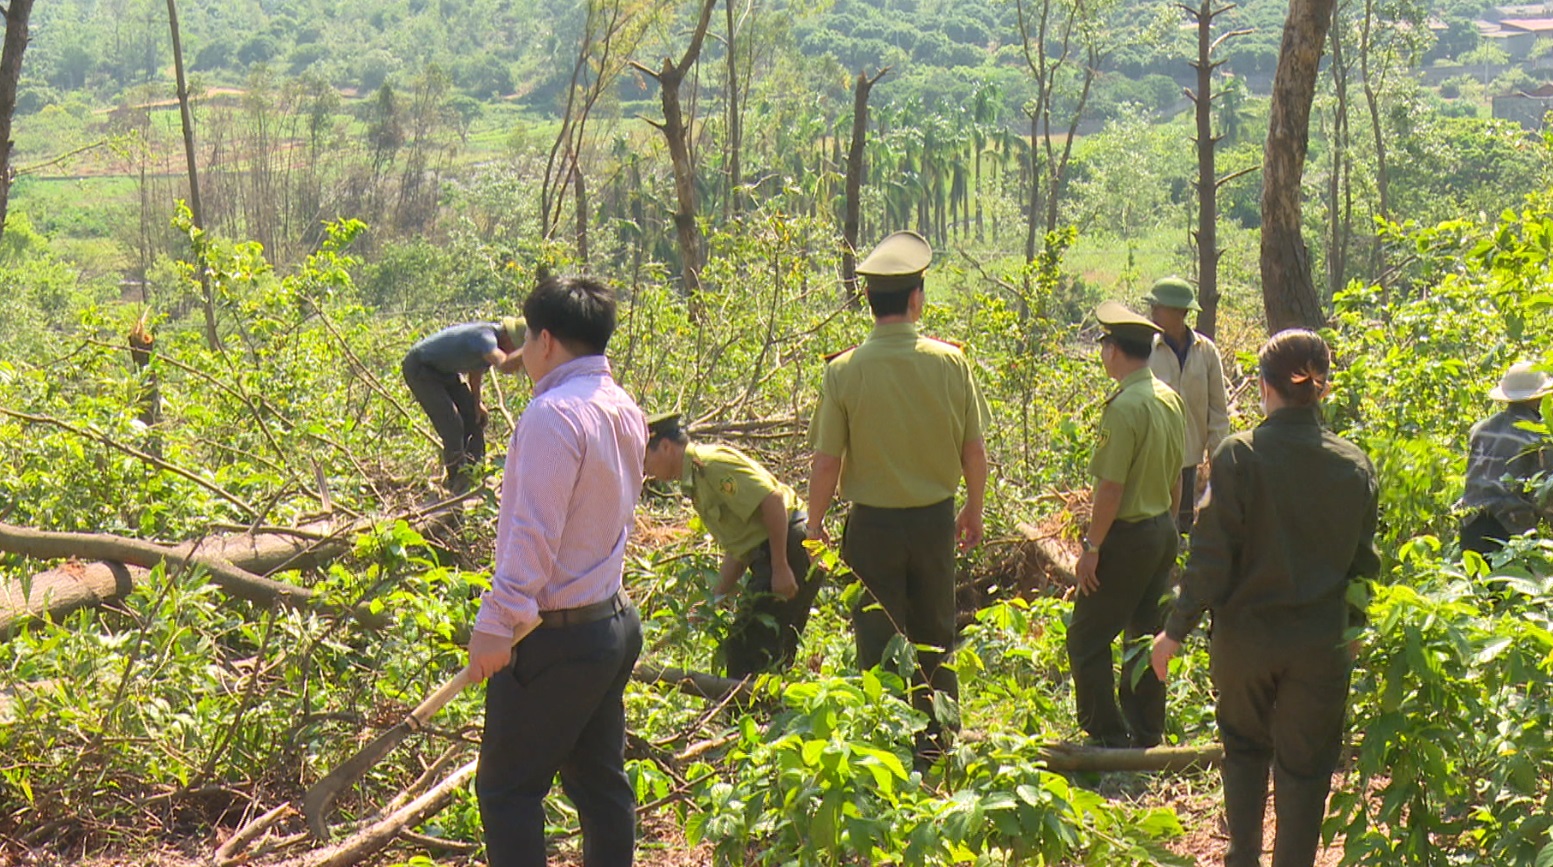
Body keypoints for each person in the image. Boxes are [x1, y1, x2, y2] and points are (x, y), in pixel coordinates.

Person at [1151, 329, 1380, 867]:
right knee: (1305, 769)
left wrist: (1175, 629)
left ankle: (1244, 859)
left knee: (1245, 752)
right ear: (1321, 388)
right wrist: (1353, 628)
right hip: (1319, 644)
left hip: (1246, 643)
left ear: (1263, 386)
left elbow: (1210, 558)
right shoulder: (1353, 465)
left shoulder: (1239, 456)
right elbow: (1363, 567)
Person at [466, 277, 646, 867]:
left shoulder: (553, 415)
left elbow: (533, 535)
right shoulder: (622, 407)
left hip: (555, 635)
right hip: (611, 624)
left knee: (508, 789)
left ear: (545, 340)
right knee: (599, 783)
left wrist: (499, 622)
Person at [807, 230, 989, 761]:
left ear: (869, 301)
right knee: (936, 635)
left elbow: (826, 462)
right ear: (916, 298)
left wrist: (815, 525)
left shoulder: (843, 370)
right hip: (935, 523)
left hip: (872, 529)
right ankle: (938, 744)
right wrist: (972, 508)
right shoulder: (950, 363)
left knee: (878, 639)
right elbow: (973, 450)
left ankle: (885, 751)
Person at [1071, 300, 1185, 749]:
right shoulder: (1168, 398)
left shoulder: (1123, 409)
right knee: (1144, 633)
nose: (1102, 354)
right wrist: (1169, 526)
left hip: (1129, 535)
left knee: (1086, 636)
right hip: (1161, 528)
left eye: (1104, 345)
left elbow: (1111, 489)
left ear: (1115, 350)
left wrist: (1092, 547)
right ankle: (1147, 728)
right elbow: (1178, 473)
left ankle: (1107, 735)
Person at [643, 413, 824, 679]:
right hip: (775, 551)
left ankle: (754, 717)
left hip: (791, 545)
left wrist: (780, 566)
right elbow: (741, 547)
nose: (645, 468)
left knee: (748, 649)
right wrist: (713, 601)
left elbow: (772, 501)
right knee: (764, 648)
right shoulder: (696, 478)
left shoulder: (711, 465)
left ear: (667, 447)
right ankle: (768, 716)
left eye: (645, 457)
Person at [1145, 277, 1230, 535]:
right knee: (1153, 524)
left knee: (1182, 524)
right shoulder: (1146, 349)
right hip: (1153, 456)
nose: (1153, 312)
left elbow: (1218, 410)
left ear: (1180, 312)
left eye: (1159, 307)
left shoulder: (1206, 352)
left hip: (1189, 456)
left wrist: (1218, 459)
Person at [401, 317, 526, 492]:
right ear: (508, 337)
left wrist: (476, 403)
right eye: (516, 347)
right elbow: (504, 364)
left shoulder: (489, 345)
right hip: (421, 367)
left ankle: (475, 474)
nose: (514, 351)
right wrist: (529, 350)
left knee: (473, 418)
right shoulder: (485, 337)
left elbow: (476, 373)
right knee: (452, 424)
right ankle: (458, 483)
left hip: (446, 372)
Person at [1458, 360, 1553, 557]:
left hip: (1470, 524)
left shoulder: (1480, 429)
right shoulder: (1537, 436)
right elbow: (1544, 494)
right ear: (1539, 397)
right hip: (1510, 529)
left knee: (1477, 584)